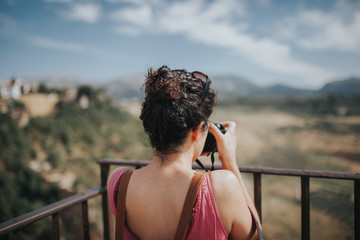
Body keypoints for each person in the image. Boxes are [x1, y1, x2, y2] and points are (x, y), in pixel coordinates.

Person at [107, 65, 262, 240]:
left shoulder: (118, 181)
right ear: (196, 131)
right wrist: (229, 161)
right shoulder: (222, 186)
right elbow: (256, 236)